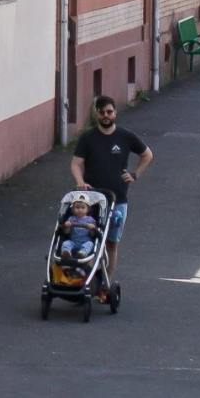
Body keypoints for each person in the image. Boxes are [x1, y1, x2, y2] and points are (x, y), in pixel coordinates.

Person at [70, 95, 152, 292]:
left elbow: (147, 155)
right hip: (91, 202)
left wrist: (135, 174)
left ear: (115, 113)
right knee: (88, 239)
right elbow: (76, 164)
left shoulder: (126, 136)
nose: (106, 115)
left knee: (111, 244)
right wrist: (80, 182)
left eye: (109, 112)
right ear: (97, 114)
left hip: (118, 200)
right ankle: (85, 283)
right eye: (102, 112)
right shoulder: (88, 138)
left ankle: (105, 286)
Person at [57, 194, 99, 262]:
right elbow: (67, 233)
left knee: (90, 244)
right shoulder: (71, 219)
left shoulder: (91, 220)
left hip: (85, 241)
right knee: (66, 243)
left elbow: (92, 235)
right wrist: (67, 226)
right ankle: (66, 253)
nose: (80, 210)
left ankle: (82, 253)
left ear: (88, 209)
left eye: (83, 208)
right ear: (73, 209)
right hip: (73, 241)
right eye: (77, 207)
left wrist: (92, 229)